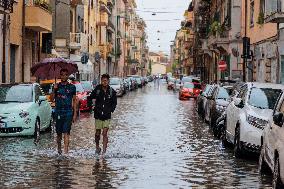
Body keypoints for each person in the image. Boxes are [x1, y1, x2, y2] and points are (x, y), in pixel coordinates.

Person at [88, 74, 117, 156]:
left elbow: (114, 102)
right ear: (101, 81)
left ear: (108, 81)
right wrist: (92, 108)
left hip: (107, 115)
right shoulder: (97, 89)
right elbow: (90, 98)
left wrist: (111, 110)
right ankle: (97, 147)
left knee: (104, 133)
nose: (104, 82)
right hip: (98, 115)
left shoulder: (112, 91)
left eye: (106, 80)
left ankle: (104, 151)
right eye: (103, 80)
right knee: (97, 133)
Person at [51, 68, 77, 154]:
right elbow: (52, 99)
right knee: (59, 133)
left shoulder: (72, 87)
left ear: (68, 75)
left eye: (65, 74)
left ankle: (66, 151)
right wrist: (54, 90)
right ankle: (59, 149)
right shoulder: (56, 86)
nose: (63, 76)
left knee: (66, 132)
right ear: (60, 75)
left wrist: (75, 114)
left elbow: (74, 100)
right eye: (62, 74)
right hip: (58, 112)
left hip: (68, 112)